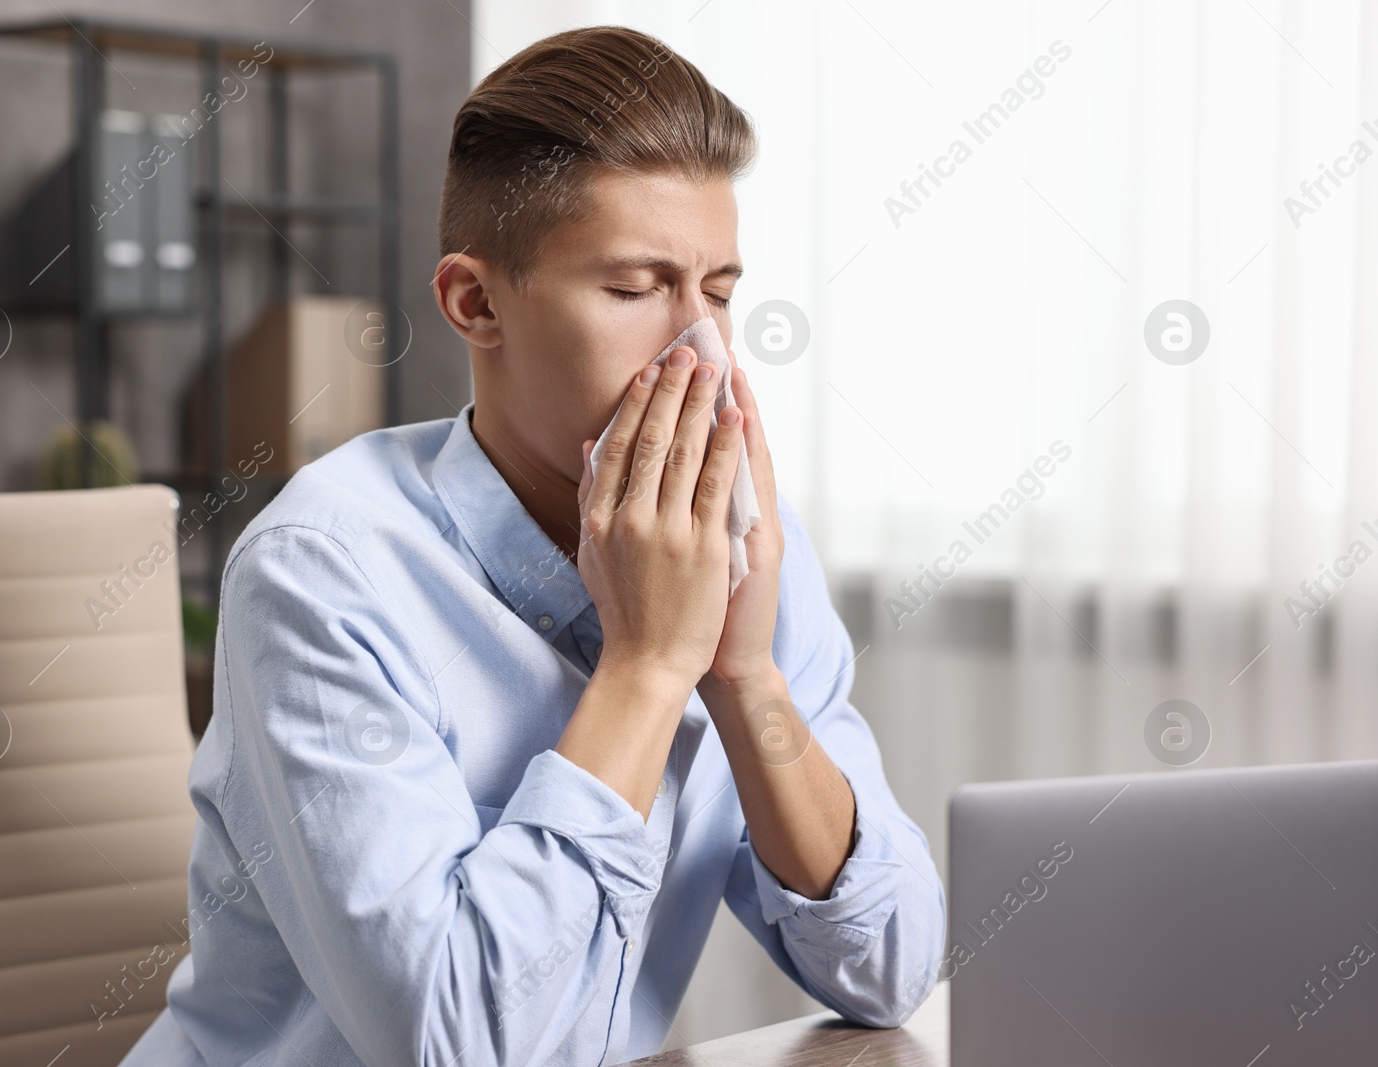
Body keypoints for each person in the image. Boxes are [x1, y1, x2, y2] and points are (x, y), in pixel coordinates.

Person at [119, 24, 943, 1067]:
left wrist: (740, 674)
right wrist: (648, 667)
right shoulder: (322, 571)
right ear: (476, 303)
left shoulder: (741, 552)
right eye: (635, 286)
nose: (704, 354)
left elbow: (893, 968)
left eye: (721, 292)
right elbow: (454, 1044)